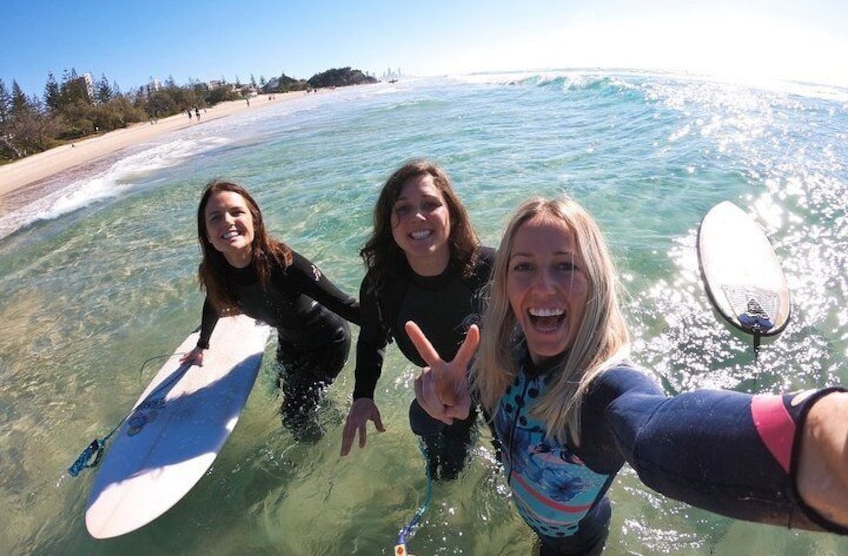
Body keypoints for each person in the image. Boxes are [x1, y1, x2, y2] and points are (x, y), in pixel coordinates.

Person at [408, 195, 848, 554]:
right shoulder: (494, 347)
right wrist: (436, 402)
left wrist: (823, 440)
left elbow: (655, 429)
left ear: (596, 282)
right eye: (523, 266)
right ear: (504, 282)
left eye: (566, 265)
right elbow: (422, 424)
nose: (543, 285)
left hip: (571, 541)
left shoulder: (601, 393)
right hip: (521, 485)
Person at [340, 159, 495, 480]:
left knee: (516, 467)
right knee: (445, 473)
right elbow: (371, 340)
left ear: (450, 212)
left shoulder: (489, 268)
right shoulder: (381, 286)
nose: (417, 217)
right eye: (403, 209)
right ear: (389, 223)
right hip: (444, 393)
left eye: (430, 204)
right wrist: (363, 396)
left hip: (500, 383)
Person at [182, 180, 360, 440]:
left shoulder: (284, 264)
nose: (227, 221)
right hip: (291, 342)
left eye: (236, 212)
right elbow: (213, 305)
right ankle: (333, 415)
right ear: (207, 234)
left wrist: (397, 323)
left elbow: (346, 306)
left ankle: (318, 450)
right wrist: (202, 345)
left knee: (293, 415)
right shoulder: (219, 275)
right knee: (282, 387)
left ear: (254, 219)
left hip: (328, 343)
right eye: (215, 217)